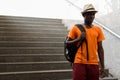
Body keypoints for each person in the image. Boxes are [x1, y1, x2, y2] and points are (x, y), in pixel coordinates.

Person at [66, 4, 106, 80]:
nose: (92, 16)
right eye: (89, 14)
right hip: (79, 62)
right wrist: (78, 39)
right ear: (84, 15)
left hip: (93, 63)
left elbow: (100, 48)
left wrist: (102, 66)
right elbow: (67, 43)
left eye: (93, 14)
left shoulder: (98, 29)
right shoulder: (76, 28)